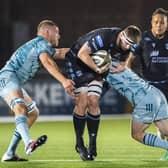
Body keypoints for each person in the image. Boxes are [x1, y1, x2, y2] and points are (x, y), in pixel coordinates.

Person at [0, 20, 75, 162]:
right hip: (8, 77)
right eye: (57, 32)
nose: (59, 36)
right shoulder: (42, 43)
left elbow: (59, 53)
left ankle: (9, 153)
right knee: (20, 108)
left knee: (33, 113)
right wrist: (64, 80)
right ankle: (28, 143)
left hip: (13, 79)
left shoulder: (41, 45)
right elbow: (47, 62)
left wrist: (83, 49)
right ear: (47, 32)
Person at [65, 25, 141, 160]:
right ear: (122, 35)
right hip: (78, 61)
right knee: (82, 101)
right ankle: (79, 142)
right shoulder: (104, 38)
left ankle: (92, 144)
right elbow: (82, 53)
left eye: (131, 45)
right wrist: (97, 69)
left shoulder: (130, 43)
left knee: (93, 100)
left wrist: (124, 64)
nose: (127, 46)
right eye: (126, 43)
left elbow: (129, 55)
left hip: (98, 66)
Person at [101, 24, 168, 160]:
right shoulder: (118, 63)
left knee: (137, 134)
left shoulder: (106, 70)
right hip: (155, 93)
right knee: (166, 130)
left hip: (146, 99)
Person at [127, 8, 168, 160]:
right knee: (153, 128)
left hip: (167, 86)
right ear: (151, 23)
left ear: (167, 24)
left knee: (163, 126)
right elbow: (129, 60)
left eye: (162, 22)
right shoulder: (143, 39)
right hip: (149, 88)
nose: (159, 25)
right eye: (156, 22)